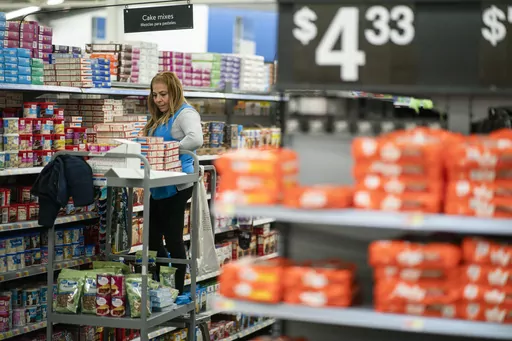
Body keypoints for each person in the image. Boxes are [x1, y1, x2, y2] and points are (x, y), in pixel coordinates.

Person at [142, 72, 203, 293]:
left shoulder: (185, 114)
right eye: (155, 94)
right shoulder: (159, 117)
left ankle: (177, 289)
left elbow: (196, 138)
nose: (158, 99)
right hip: (158, 183)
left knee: (173, 237)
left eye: (163, 94)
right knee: (152, 239)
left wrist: (167, 151)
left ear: (174, 92)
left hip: (177, 185)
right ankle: (159, 285)